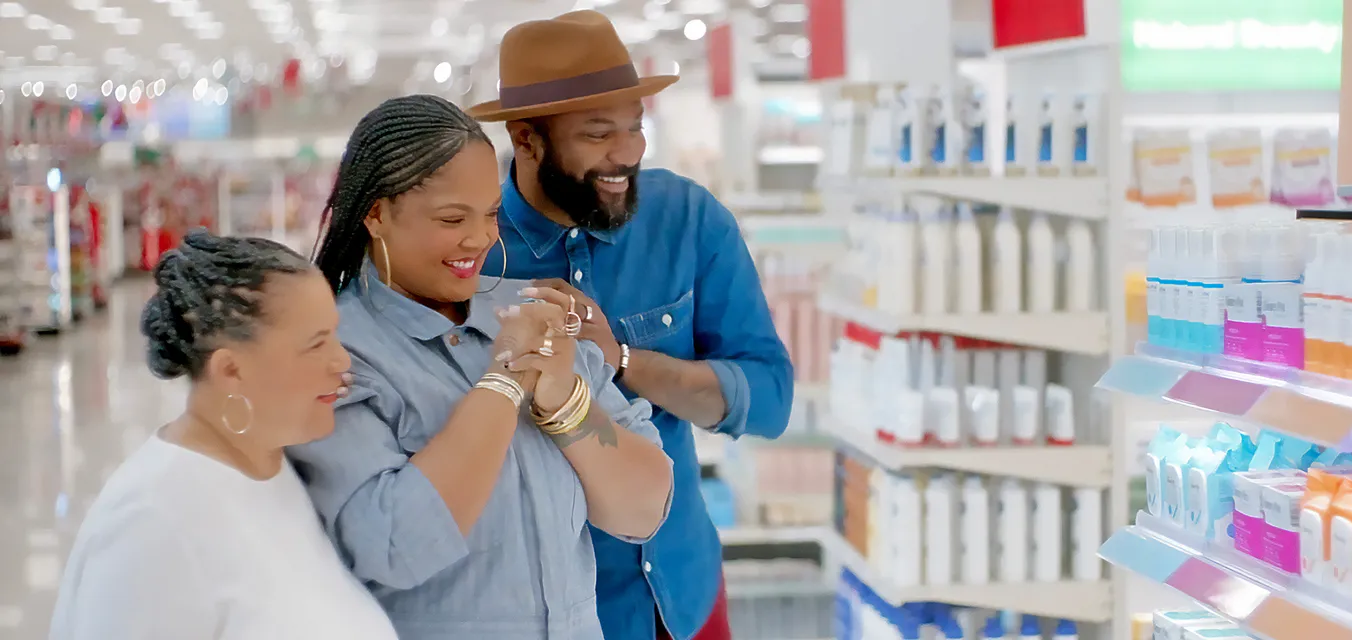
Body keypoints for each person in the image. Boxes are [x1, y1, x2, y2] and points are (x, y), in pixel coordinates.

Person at [291, 94, 674, 640]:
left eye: (492, 213)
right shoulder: (337, 354)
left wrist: (568, 405)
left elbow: (645, 508)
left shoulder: (535, 314)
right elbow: (393, 546)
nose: (480, 239)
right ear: (376, 214)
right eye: (452, 218)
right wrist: (502, 383)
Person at [468, 11, 794, 640]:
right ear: (526, 138)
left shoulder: (688, 219)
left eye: (635, 127)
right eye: (597, 134)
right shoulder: (474, 249)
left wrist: (620, 361)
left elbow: (771, 400)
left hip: (682, 592)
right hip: (551, 614)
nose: (628, 152)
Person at [50, 230, 397, 640]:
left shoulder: (269, 464)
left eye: (334, 334)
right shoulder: (153, 525)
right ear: (231, 370)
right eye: (316, 344)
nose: (342, 359)